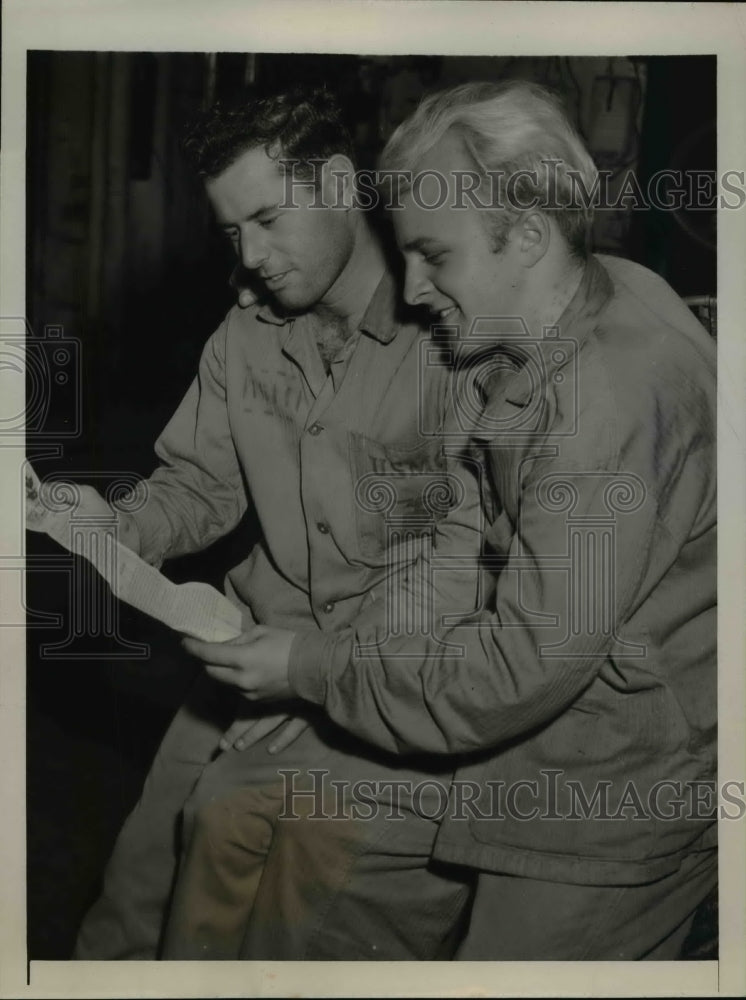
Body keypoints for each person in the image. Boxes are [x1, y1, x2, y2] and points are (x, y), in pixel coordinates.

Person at [186, 80, 718, 960]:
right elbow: (465, 541)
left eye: (436, 255)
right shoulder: (560, 321)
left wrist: (313, 668)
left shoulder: (605, 403)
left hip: (607, 796)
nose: (415, 285)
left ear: (530, 233)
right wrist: (328, 663)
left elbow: (515, 670)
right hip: (532, 743)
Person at [73, 84, 483, 960]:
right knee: (136, 897)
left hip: (387, 669)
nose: (251, 257)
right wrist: (109, 525)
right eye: (231, 232)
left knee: (269, 930)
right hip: (242, 651)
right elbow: (198, 483)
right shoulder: (246, 337)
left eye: (267, 220)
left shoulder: (451, 337)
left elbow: (472, 558)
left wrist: (318, 673)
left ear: (338, 185)